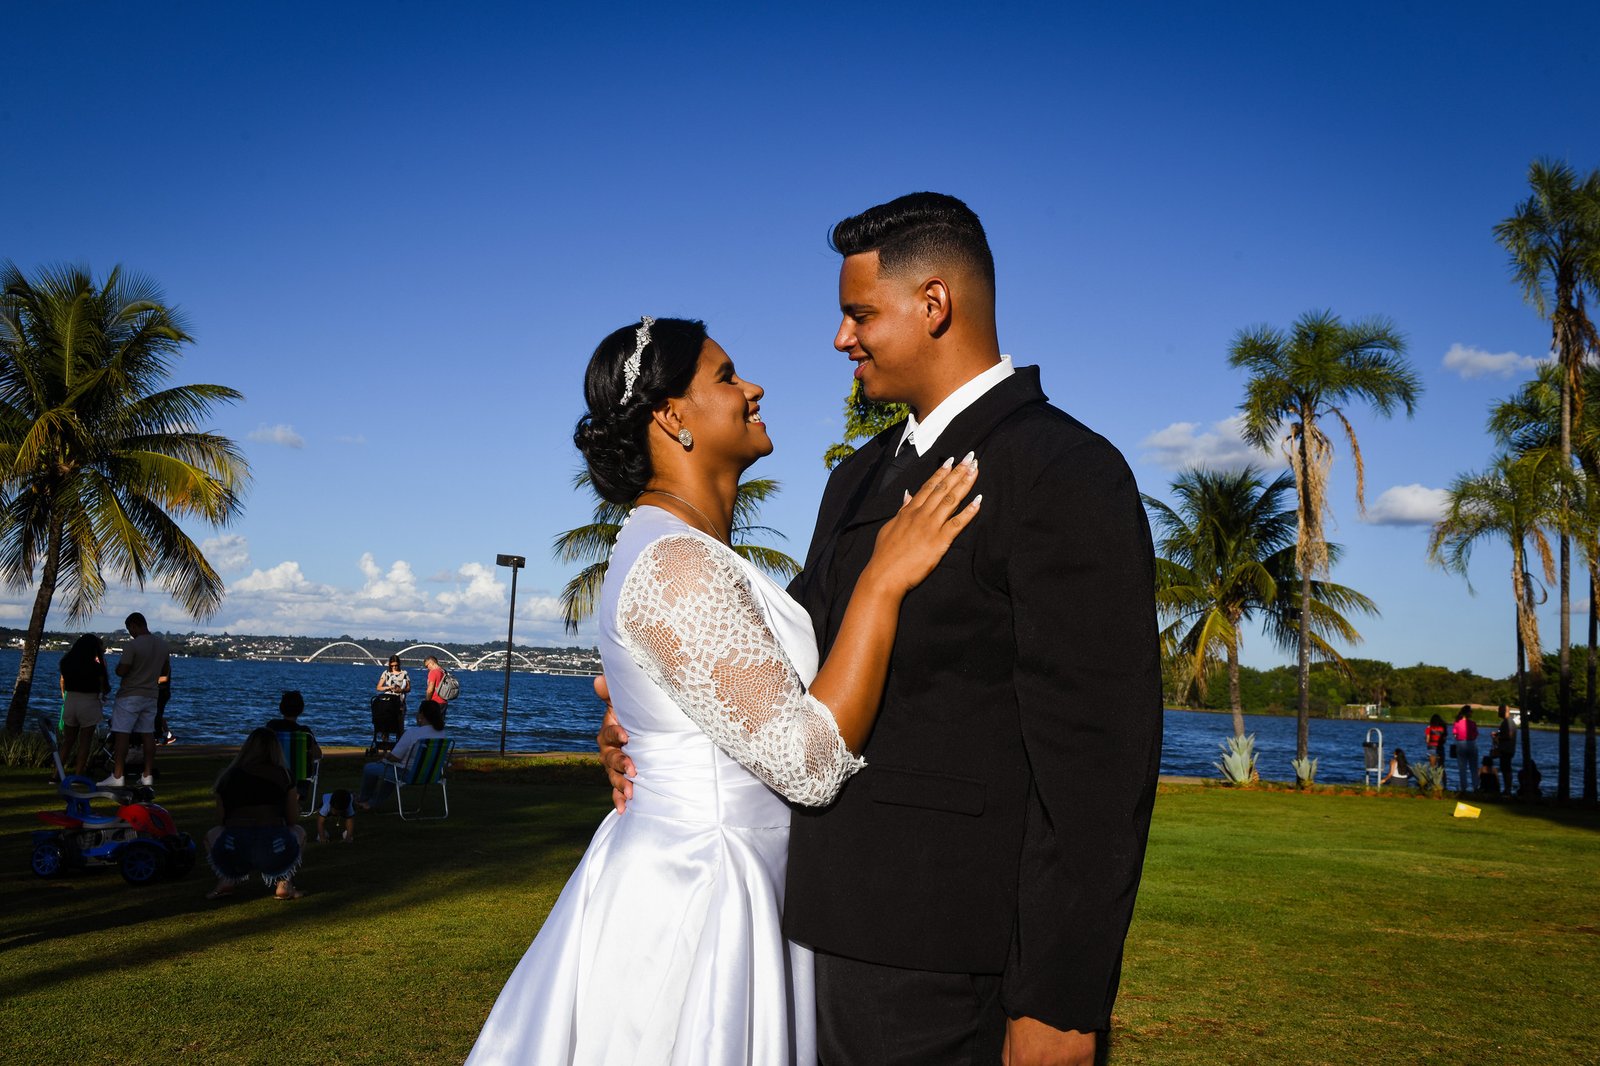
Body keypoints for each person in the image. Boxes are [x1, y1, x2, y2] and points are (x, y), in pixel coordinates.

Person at [602, 194, 1163, 1064]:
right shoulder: (858, 479)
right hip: (822, 936)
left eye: (859, 314)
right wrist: (652, 713)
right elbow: (782, 656)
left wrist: (1059, 1000)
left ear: (933, 305)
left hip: (956, 957)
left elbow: (1099, 768)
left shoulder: (1063, 471)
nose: (841, 339)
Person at [466, 316, 979, 1065]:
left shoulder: (682, 550)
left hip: (734, 867)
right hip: (707, 889)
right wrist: (881, 581)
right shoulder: (676, 564)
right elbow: (805, 763)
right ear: (672, 417)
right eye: (728, 375)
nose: (753, 387)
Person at [205, 727, 305, 900]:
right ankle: (284, 883)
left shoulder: (228, 776)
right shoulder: (284, 775)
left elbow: (221, 820)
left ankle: (226, 879)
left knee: (212, 834)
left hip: (234, 848)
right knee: (299, 832)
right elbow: (292, 819)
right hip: (274, 848)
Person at [98, 612, 172, 789]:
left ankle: (118, 775)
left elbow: (122, 670)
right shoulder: (162, 645)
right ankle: (147, 775)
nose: (130, 633)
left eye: (129, 629)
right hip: (151, 695)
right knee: (148, 734)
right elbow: (164, 671)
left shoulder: (133, 645)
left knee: (122, 733)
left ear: (134, 625)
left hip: (130, 694)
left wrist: (118, 669)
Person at [356, 699, 447, 810]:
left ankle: (363, 799)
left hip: (409, 774)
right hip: (432, 775)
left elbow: (395, 757)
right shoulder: (441, 734)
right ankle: (370, 803)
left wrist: (385, 758)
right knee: (391, 772)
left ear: (421, 714)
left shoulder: (413, 733)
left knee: (370, 768)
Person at [58, 634, 111, 779]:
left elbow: (64, 680)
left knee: (68, 741)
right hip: (89, 702)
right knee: (85, 742)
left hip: (71, 701)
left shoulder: (66, 662)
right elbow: (104, 688)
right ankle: (78, 774)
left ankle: (56, 774)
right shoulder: (96, 667)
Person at [265, 690, 323, 803]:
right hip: (297, 776)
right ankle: (296, 796)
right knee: (309, 765)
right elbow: (318, 754)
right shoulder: (304, 732)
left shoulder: (272, 726)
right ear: (301, 710)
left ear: (281, 708)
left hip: (274, 771)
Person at [1453, 705, 1480, 794]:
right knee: (1473, 767)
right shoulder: (1472, 723)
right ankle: (1475, 787)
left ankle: (1463, 788)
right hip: (1471, 744)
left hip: (1461, 744)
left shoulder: (1457, 723)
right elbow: (1476, 735)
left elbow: (1455, 735)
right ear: (1468, 713)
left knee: (1462, 768)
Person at [1496, 703, 1517, 796]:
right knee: (1505, 769)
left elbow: (1509, 735)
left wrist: (1498, 738)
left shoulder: (1508, 722)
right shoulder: (1507, 721)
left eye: (1499, 710)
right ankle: (1507, 789)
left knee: (1506, 769)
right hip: (1506, 749)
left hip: (1507, 749)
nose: (1498, 712)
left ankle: (1508, 789)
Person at [422, 655, 450, 723]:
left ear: (432, 662)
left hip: (435, 702)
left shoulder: (433, 672)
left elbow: (430, 689)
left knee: (430, 725)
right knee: (439, 725)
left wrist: (427, 702)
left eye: (427, 666)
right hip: (444, 702)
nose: (427, 668)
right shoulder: (443, 671)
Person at [1425, 713, 1449, 789]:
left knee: (1432, 768)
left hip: (1431, 748)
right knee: (1441, 768)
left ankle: (1432, 785)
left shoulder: (1429, 728)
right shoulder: (1443, 728)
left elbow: (1427, 740)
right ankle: (1444, 785)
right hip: (1440, 748)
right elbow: (1444, 740)